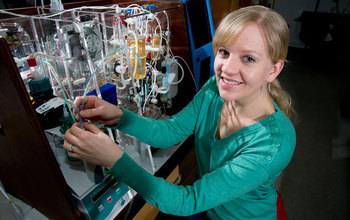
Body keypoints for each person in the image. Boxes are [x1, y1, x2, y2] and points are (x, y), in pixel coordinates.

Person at [64, 5, 296, 219]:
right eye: (224, 52)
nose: (227, 69)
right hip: (208, 207)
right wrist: (120, 117)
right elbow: (171, 131)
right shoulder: (215, 88)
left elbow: (187, 201)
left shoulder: (273, 142)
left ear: (273, 69)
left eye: (248, 58)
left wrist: (112, 158)